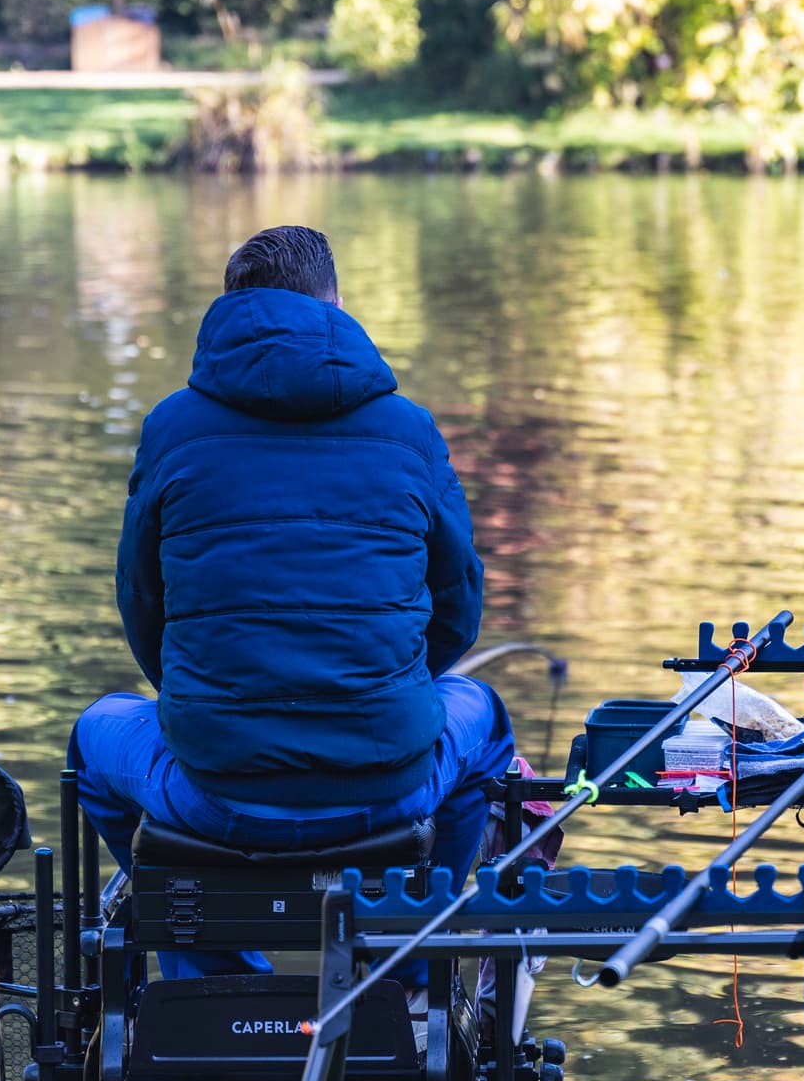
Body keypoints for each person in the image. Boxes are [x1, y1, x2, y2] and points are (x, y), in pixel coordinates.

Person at [72, 224, 514, 977]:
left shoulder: (171, 428)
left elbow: (141, 605)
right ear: (336, 305)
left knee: (94, 737)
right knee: (486, 722)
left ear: (230, 308)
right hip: (390, 784)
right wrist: (398, 680)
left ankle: (217, 979)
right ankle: (407, 978)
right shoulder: (409, 430)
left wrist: (214, 701)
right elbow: (459, 609)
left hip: (214, 787)